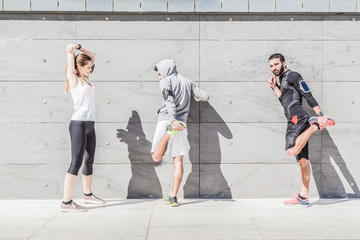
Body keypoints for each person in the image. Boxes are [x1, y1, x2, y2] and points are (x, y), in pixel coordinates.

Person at [268, 53, 335, 206]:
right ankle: (303, 197)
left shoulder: (292, 75)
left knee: (291, 150)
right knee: (303, 162)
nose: (274, 68)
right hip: (294, 119)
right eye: (271, 66)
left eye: (276, 64)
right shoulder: (282, 80)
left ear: (283, 63)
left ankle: (315, 125)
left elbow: (307, 93)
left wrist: (320, 114)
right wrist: (274, 87)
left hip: (297, 119)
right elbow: (284, 101)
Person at [151, 59, 209, 207]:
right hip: (182, 125)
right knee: (178, 161)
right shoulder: (187, 82)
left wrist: (172, 120)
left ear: (165, 70)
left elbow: (169, 100)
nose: (159, 76)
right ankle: (173, 197)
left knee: (156, 156)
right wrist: (194, 86)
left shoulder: (165, 81)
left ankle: (167, 135)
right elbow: (205, 96)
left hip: (168, 121)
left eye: (159, 73)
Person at [61, 43, 105, 212]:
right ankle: (66, 202)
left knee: (89, 160)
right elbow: (71, 64)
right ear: (78, 68)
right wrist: (71, 52)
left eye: (91, 68)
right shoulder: (74, 80)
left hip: (89, 125)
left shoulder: (86, 81)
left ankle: (87, 194)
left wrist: (80, 47)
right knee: (76, 162)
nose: (90, 70)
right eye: (88, 68)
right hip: (78, 124)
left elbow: (92, 55)